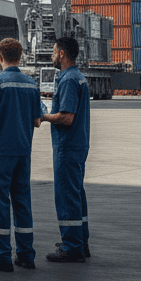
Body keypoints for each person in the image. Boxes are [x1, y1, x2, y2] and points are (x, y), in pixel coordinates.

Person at [0, 37, 43, 272]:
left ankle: (2, 255)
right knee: (22, 202)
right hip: (23, 152)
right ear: (21, 57)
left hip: (0, 153)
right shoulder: (31, 84)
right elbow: (37, 121)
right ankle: (26, 255)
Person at [41, 35, 91, 262]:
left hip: (67, 146)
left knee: (66, 196)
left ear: (61, 54)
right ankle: (81, 242)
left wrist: (43, 116)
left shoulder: (69, 80)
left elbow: (66, 117)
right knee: (76, 193)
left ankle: (72, 247)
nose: (52, 56)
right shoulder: (78, 77)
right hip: (77, 144)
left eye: (53, 52)